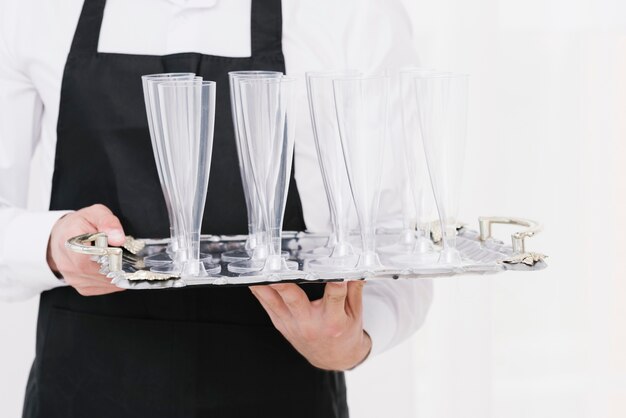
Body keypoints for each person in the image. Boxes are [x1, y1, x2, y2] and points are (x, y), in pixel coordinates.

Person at [0, 0, 433, 417]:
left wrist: (353, 339)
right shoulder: (32, 9)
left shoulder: (354, 13)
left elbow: (400, 240)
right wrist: (51, 246)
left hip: (283, 395)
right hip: (81, 394)